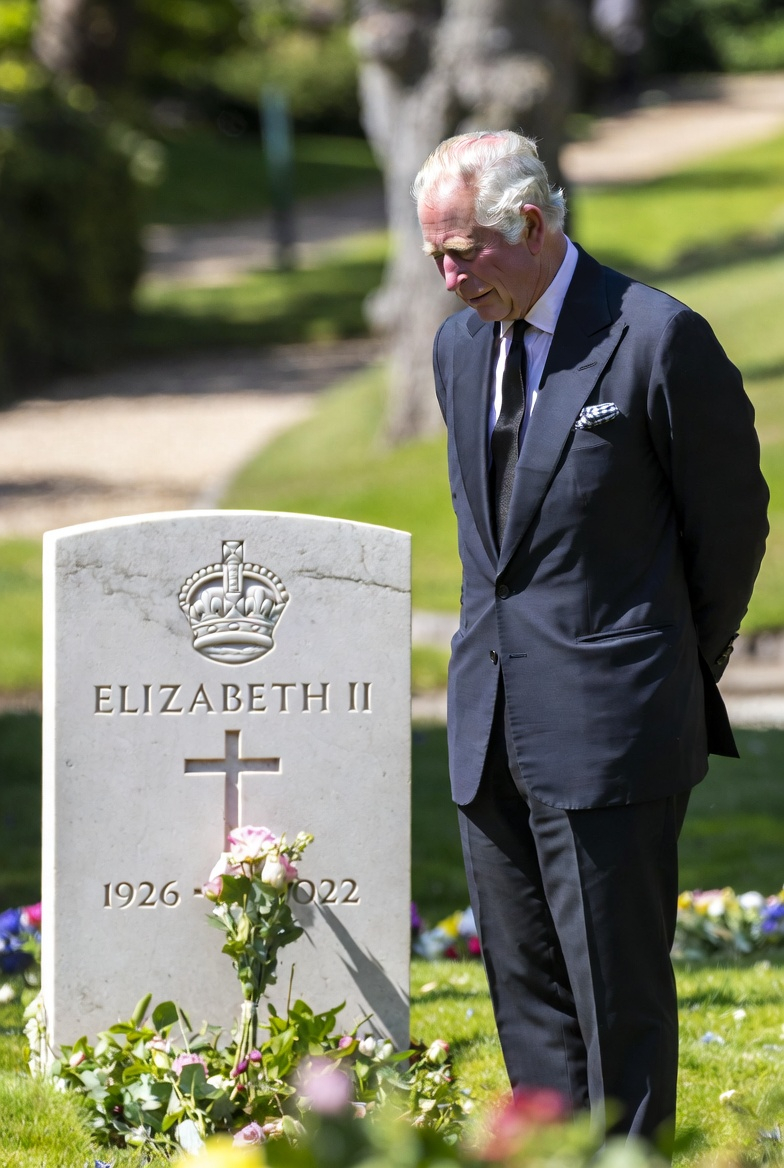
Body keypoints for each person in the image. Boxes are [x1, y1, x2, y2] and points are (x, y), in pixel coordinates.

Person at [413, 130, 769, 1147]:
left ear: (529, 225)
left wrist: (662, 666)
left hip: (614, 725)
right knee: (525, 998)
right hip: (486, 725)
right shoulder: (457, 348)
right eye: (433, 254)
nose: (446, 278)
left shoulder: (656, 338)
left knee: (618, 1001)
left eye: (461, 252)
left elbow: (730, 526)